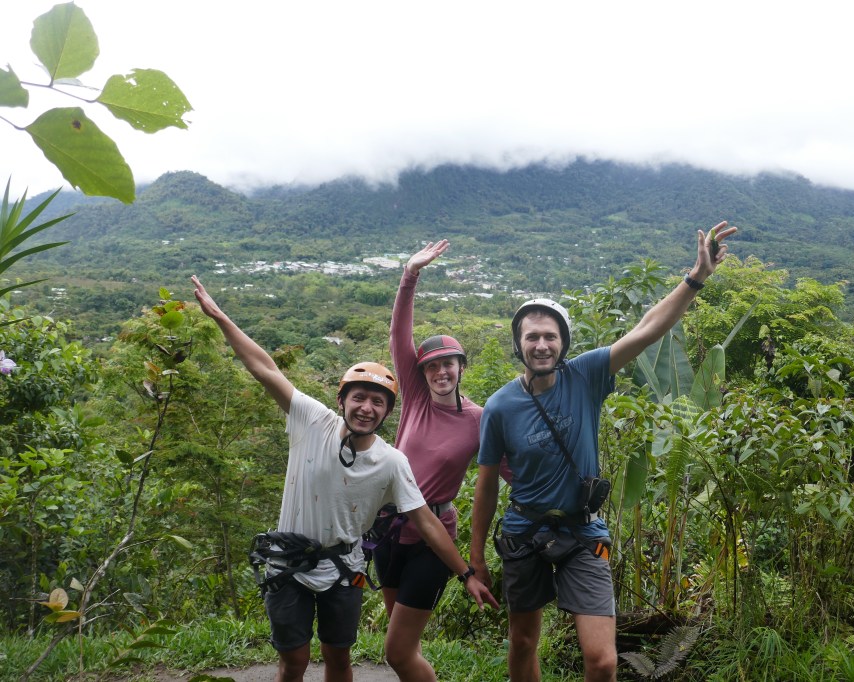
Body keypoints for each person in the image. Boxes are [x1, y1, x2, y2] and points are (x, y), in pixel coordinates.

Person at [191, 275, 498, 682]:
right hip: (290, 563)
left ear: (388, 411)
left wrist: (466, 572)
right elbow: (264, 368)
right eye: (359, 398)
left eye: (377, 402)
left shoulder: (392, 462)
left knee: (340, 658)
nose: (367, 408)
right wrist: (220, 318)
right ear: (341, 400)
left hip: (343, 566)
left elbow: (427, 520)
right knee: (294, 662)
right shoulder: (313, 421)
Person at [469, 222, 737, 682]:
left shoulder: (586, 374)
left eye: (550, 336)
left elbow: (647, 330)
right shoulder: (499, 407)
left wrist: (696, 278)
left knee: (603, 660)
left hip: (583, 531)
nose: (541, 345)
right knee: (523, 642)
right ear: (518, 344)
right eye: (531, 337)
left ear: (563, 342)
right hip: (524, 532)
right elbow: (487, 485)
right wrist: (476, 560)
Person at [374, 239, 485, 681]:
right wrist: (410, 274)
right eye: (432, 367)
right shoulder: (416, 398)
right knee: (404, 646)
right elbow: (399, 337)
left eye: (449, 365)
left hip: (434, 539)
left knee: (397, 651)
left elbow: (507, 472)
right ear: (421, 374)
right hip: (388, 530)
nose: (441, 372)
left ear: (461, 367)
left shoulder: (479, 419)